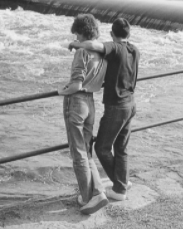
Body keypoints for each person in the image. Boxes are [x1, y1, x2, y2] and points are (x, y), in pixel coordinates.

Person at [69, 18, 140, 201]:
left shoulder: (116, 48)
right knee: (121, 147)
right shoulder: (135, 50)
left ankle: (119, 186)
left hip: (116, 107)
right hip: (130, 104)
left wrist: (75, 43)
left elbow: (94, 45)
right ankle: (123, 183)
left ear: (111, 34)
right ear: (129, 34)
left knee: (101, 148)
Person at [58, 14, 109, 215]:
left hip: (77, 101)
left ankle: (89, 197)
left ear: (81, 32)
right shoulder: (102, 53)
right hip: (91, 102)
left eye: (77, 35)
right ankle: (97, 192)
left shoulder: (81, 52)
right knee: (86, 151)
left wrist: (61, 91)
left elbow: (76, 84)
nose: (76, 39)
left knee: (78, 152)